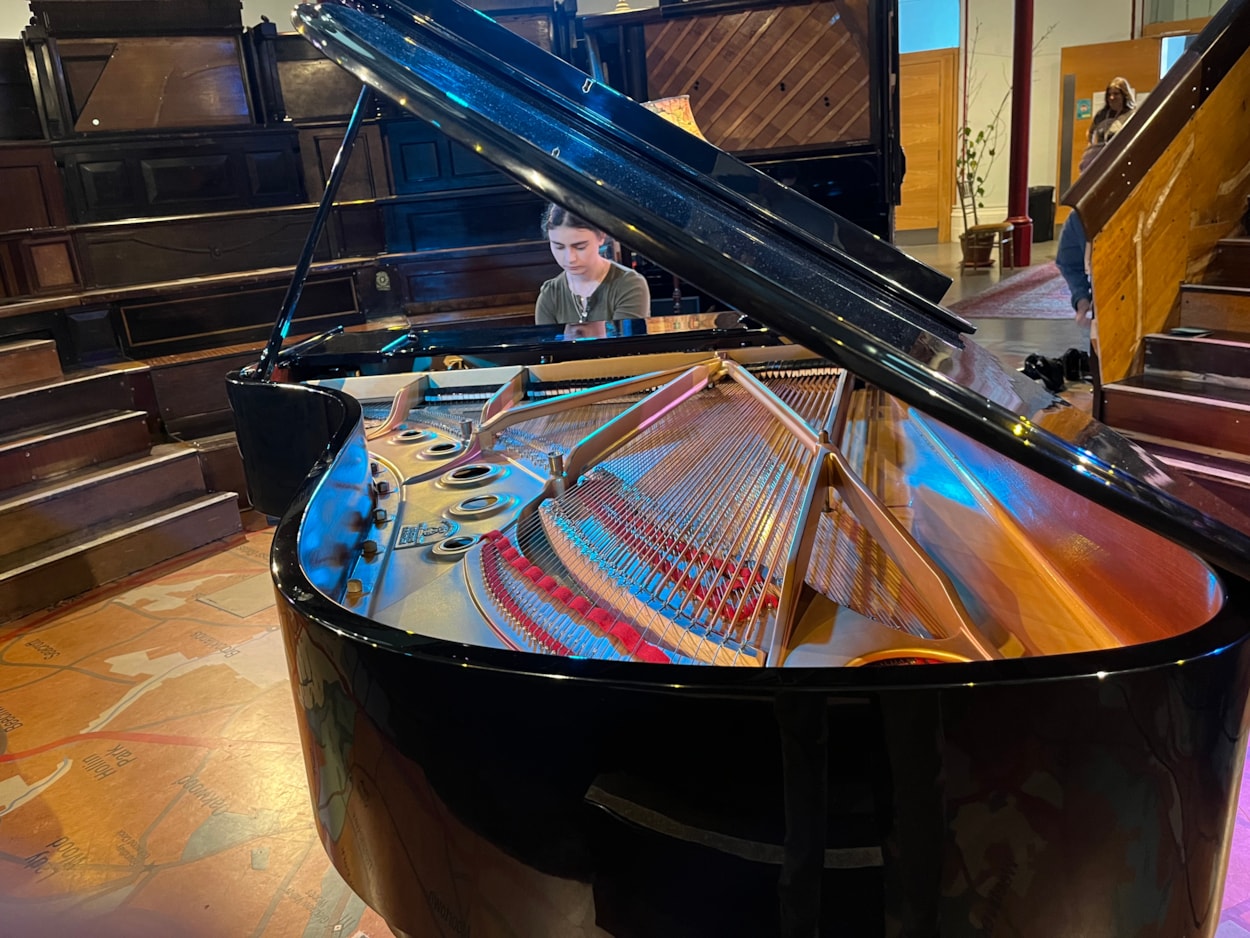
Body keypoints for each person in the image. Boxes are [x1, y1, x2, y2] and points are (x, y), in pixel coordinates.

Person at [535, 203, 650, 338]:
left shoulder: (629, 284)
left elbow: (627, 349)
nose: (570, 258)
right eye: (559, 247)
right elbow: (548, 351)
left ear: (601, 236)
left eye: (580, 246)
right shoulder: (550, 293)